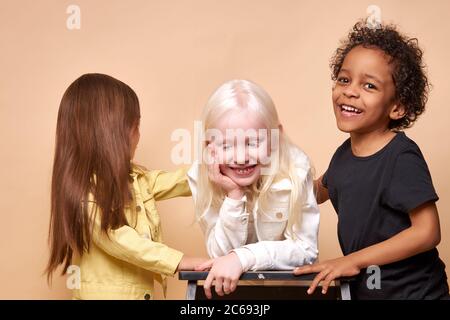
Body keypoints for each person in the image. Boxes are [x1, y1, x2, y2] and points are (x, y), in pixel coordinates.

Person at [294, 21, 449, 299]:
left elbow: (428, 232)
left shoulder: (401, 157)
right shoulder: (343, 155)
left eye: (369, 85)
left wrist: (351, 260)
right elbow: (314, 192)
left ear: (397, 107)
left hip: (416, 295)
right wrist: (267, 171)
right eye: (344, 79)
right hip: (369, 293)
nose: (350, 91)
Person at [46, 73, 207, 299]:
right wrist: (178, 261)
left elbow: (177, 180)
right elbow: (117, 237)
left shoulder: (135, 178)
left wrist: (216, 168)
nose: (139, 136)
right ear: (111, 133)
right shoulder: (86, 191)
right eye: (136, 126)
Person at [188, 79, 320, 299]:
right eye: (227, 145)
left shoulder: (297, 168)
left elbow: (306, 250)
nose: (241, 158)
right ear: (208, 145)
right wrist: (233, 196)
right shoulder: (200, 175)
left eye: (252, 143)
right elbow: (219, 255)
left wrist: (244, 257)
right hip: (233, 297)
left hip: (290, 295)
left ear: (275, 137)